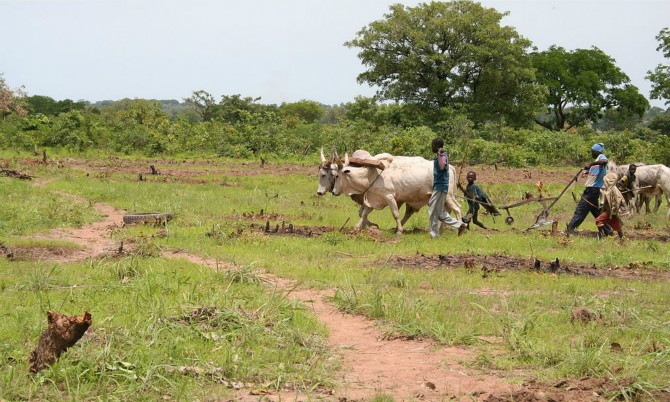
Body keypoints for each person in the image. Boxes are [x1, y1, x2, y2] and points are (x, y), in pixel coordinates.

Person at [566, 143, 612, 235]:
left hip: (592, 190)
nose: (592, 153)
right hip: (593, 190)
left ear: (597, 151)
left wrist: (591, 164)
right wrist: (588, 171)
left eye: (592, 152)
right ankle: (608, 230)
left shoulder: (601, 157)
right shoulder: (597, 160)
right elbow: (598, 171)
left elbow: (605, 161)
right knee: (596, 211)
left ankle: (569, 230)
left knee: (581, 210)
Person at [428, 138, 466, 237]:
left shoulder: (443, 155)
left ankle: (434, 234)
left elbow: (442, 166)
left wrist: (440, 155)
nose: (431, 147)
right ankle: (460, 225)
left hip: (440, 187)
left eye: (432, 145)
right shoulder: (441, 155)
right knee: (440, 213)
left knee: (432, 210)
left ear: (436, 145)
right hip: (439, 186)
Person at [596, 172, 626, 239]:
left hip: (612, 210)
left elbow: (616, 202)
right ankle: (622, 238)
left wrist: (613, 212)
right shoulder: (612, 189)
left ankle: (601, 237)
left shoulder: (613, 190)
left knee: (598, 220)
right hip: (612, 211)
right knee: (616, 224)